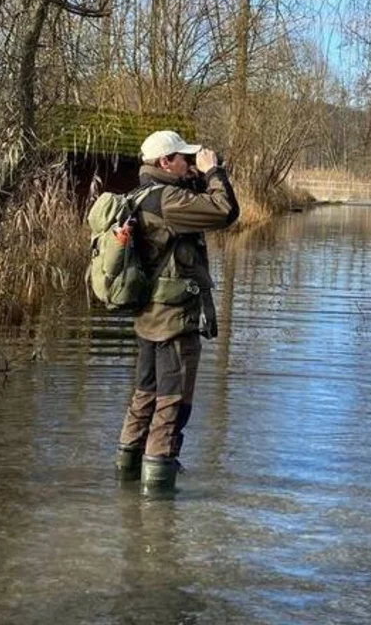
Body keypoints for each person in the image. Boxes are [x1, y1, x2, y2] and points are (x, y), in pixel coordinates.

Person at [115, 129, 239, 494]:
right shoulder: (169, 200)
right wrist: (215, 174)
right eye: (184, 158)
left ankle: (126, 481)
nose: (190, 163)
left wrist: (199, 174)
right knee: (172, 406)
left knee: (144, 399)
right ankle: (158, 506)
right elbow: (225, 210)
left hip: (148, 319)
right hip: (173, 321)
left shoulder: (142, 195)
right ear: (166, 162)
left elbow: (197, 202)